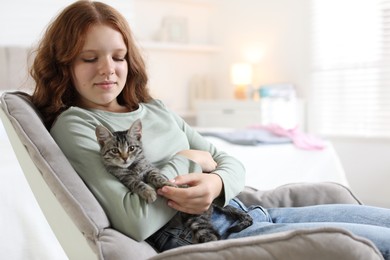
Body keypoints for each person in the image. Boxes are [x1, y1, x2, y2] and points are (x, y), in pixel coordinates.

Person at [30, 1, 390, 258]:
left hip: (247, 211)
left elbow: (226, 161)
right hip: (210, 235)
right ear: (65, 66)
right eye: (89, 58)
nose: (108, 69)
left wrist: (215, 182)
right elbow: (135, 221)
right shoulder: (77, 124)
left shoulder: (154, 109)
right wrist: (186, 160)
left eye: (118, 57)